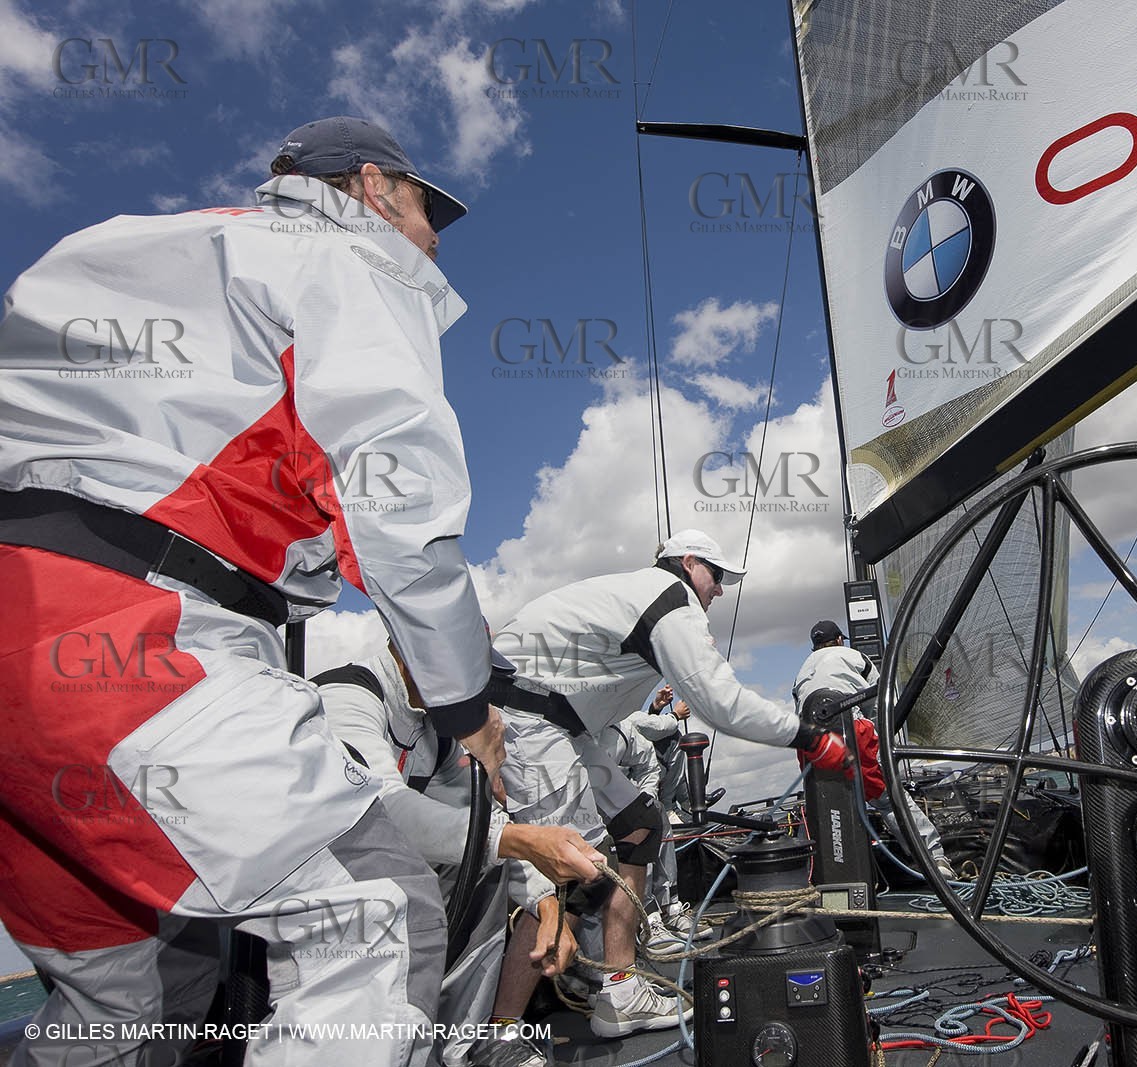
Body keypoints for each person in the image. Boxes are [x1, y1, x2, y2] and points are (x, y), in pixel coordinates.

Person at [0, 116, 513, 1067]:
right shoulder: (344, 260)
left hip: (26, 654)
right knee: (374, 921)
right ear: (371, 188)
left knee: (121, 1008)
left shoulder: (100, 248)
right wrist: (465, 703)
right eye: (423, 207)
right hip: (126, 638)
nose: (432, 238)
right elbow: (397, 502)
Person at [494, 529, 853, 1039]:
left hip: (565, 725)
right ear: (688, 564)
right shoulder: (669, 599)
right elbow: (720, 702)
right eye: (717, 575)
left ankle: (620, 992)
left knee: (640, 825)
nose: (720, 589)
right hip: (528, 720)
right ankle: (500, 1032)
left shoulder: (640, 597)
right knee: (568, 870)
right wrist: (810, 736)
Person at [318, 644, 606, 1067]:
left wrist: (547, 906)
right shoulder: (347, 696)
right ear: (410, 653)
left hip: (373, 875)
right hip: (313, 887)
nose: (477, 693)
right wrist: (522, 838)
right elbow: (381, 808)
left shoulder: (435, 730)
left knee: (483, 866)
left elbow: (476, 826)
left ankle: (460, 1047)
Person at [793, 621, 955, 881]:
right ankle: (934, 859)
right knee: (887, 800)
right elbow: (879, 699)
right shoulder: (855, 657)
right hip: (851, 728)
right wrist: (881, 738)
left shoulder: (803, 670)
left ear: (815, 646)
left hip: (810, 739)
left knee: (821, 801)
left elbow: (798, 709)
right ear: (839, 640)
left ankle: (811, 875)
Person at [597, 689, 710, 950]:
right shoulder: (573, 733)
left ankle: (670, 906)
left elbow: (647, 760)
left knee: (655, 812)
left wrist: (646, 801)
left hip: (620, 797)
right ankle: (647, 919)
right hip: (588, 811)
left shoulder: (622, 726)